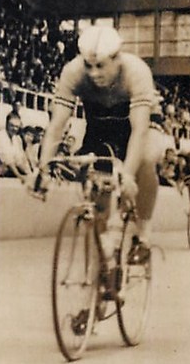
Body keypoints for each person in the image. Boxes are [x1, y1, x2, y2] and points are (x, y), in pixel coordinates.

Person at [36, 25, 163, 264]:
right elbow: (56, 126)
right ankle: (105, 253)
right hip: (100, 121)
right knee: (95, 181)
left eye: (101, 66)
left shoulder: (137, 71)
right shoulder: (72, 72)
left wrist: (128, 174)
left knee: (145, 160)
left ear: (117, 59)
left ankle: (143, 234)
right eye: (89, 66)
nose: (94, 74)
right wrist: (42, 169)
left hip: (138, 123)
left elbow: (138, 131)